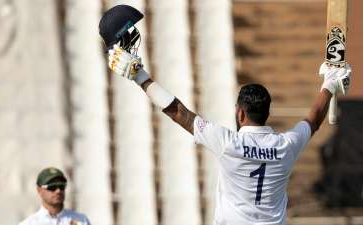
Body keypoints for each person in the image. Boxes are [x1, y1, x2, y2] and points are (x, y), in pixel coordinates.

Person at [107, 45, 351, 225]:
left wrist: (140, 76)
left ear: (240, 114)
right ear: (267, 113)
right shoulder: (286, 146)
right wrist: (329, 83)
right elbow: (315, 118)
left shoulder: (229, 143)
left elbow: (178, 112)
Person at [18, 167, 91, 225]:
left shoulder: (81, 220)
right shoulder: (28, 223)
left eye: (61, 186)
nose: (58, 191)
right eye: (52, 187)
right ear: (39, 190)